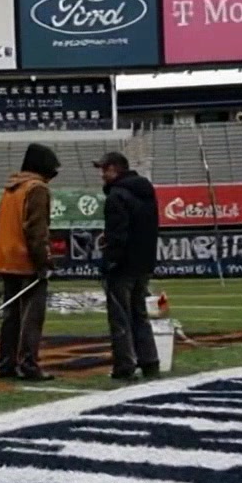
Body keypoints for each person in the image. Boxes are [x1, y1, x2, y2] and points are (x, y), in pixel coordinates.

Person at [0, 143, 59, 381]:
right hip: (26, 261)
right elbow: (36, 230)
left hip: (6, 258)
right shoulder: (36, 188)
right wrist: (44, 262)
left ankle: (5, 363)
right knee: (32, 315)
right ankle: (29, 364)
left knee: (11, 316)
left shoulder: (10, 188)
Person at [95, 151, 161, 380]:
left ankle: (124, 364)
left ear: (117, 169)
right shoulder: (145, 191)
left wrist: (110, 261)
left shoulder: (117, 195)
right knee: (139, 314)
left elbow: (119, 235)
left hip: (123, 266)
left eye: (106, 169)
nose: (102, 174)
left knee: (120, 316)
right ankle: (150, 360)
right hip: (143, 262)